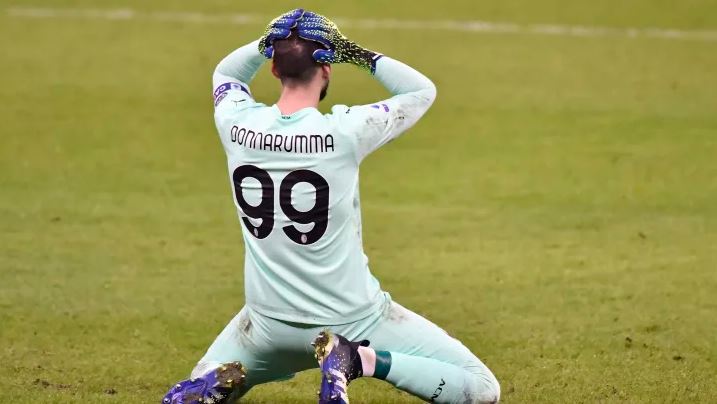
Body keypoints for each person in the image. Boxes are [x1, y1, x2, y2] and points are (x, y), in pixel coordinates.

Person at [162, 9, 500, 404]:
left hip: (266, 326)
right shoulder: (344, 132)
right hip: (353, 320)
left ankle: (223, 381)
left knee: (205, 377)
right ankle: (360, 359)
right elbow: (420, 91)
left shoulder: (236, 123)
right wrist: (353, 52)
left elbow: (226, 73)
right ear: (326, 69)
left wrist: (270, 42)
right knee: (481, 387)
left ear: (273, 69)